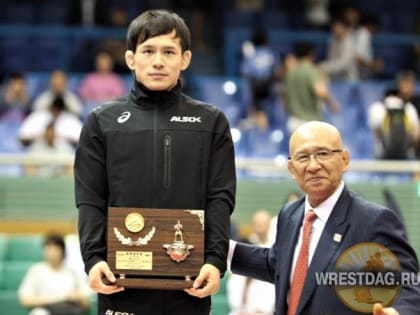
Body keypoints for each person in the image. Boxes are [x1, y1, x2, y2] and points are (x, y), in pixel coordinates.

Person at [74, 9, 236, 315]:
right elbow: (90, 198)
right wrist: (93, 259)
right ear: (131, 59)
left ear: (185, 59)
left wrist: (215, 261)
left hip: (189, 285)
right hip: (119, 285)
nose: (158, 61)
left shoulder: (211, 122)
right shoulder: (101, 121)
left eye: (168, 52)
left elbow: (220, 197)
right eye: (148, 51)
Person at [229, 121, 420, 315]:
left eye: (322, 154)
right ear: (291, 168)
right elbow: (278, 265)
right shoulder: (289, 215)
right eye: (302, 157)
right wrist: (221, 248)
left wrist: (398, 312)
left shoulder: (373, 220)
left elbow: (408, 284)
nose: (313, 166)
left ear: (345, 159)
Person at [18, 233, 91, 315]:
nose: (53, 253)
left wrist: (78, 298)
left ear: (63, 251)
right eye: (49, 249)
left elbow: (86, 304)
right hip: (44, 310)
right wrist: (53, 300)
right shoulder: (36, 270)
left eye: (56, 249)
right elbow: (24, 300)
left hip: (68, 310)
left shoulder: (72, 272)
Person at [283, 41, 339, 133]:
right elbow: (320, 91)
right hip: (309, 123)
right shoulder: (310, 70)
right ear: (311, 54)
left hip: (293, 122)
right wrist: (332, 104)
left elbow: (284, 98)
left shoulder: (290, 72)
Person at [227, 210, 275, 315]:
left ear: (269, 225)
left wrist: (263, 310)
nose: (260, 227)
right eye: (257, 224)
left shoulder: (275, 250)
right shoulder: (245, 243)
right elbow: (234, 282)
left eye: (263, 224)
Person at [367, 89, 419, 160]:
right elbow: (416, 134)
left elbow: (376, 133)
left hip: (383, 154)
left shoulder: (377, 108)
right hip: (406, 153)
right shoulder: (409, 108)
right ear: (399, 96)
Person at [320, 17, 358, 81]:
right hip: (334, 77)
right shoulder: (332, 40)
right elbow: (331, 59)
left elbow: (344, 63)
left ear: (345, 28)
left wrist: (324, 67)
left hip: (348, 79)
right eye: (334, 27)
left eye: (339, 27)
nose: (336, 29)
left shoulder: (349, 42)